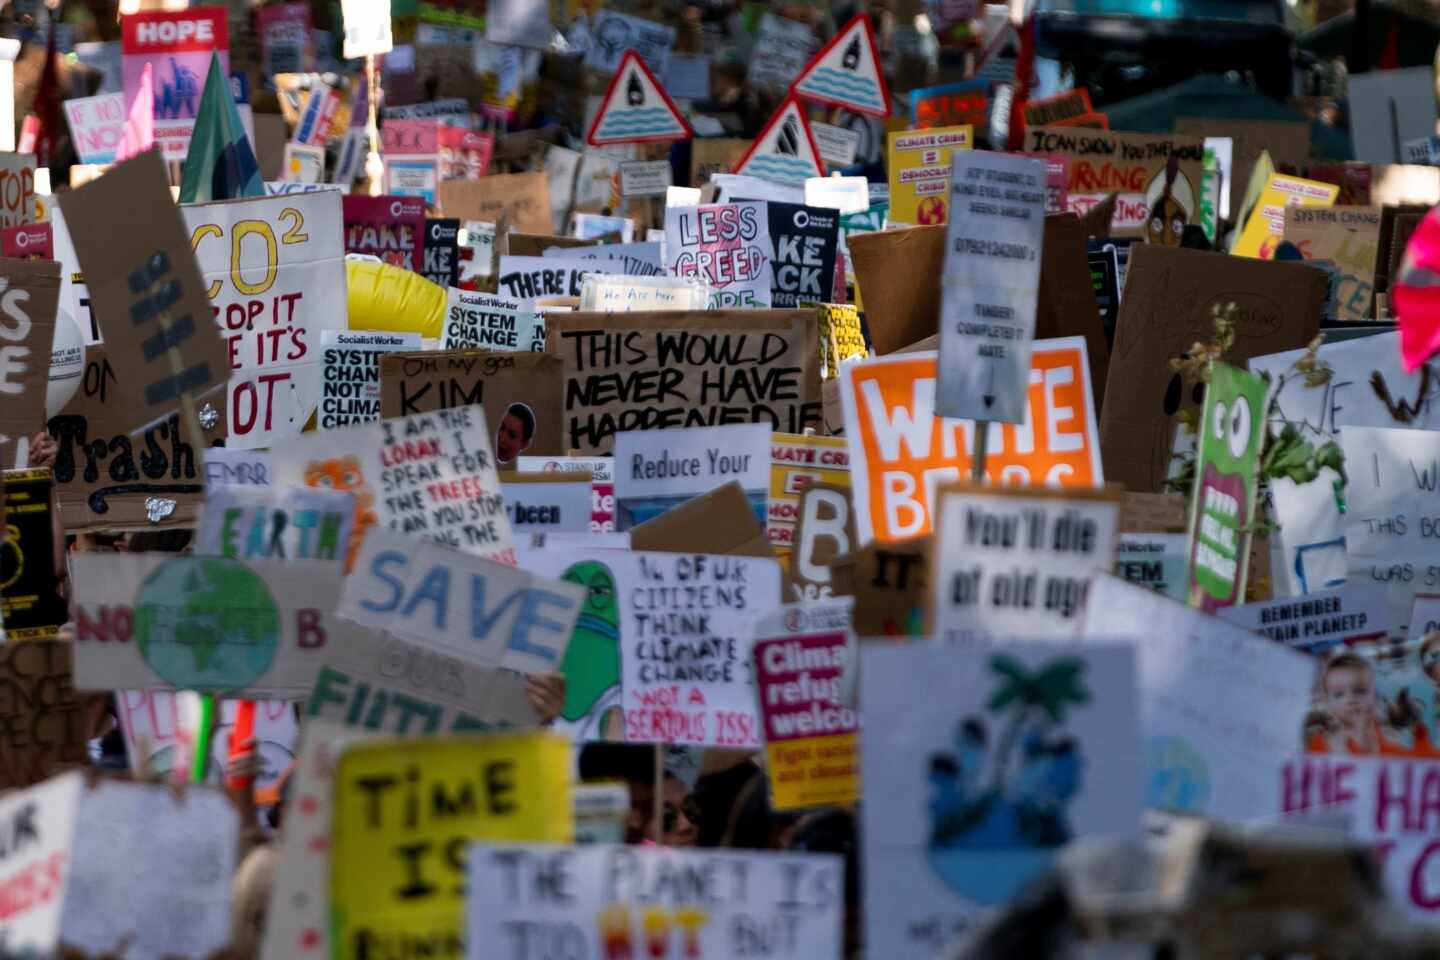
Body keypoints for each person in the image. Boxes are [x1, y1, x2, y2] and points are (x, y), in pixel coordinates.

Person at [1307, 651, 1408, 755]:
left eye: (1360, 691)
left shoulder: (1389, 736)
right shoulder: (1324, 743)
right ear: (1327, 702)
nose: (1351, 700)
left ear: (1375, 696)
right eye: (1339, 694)